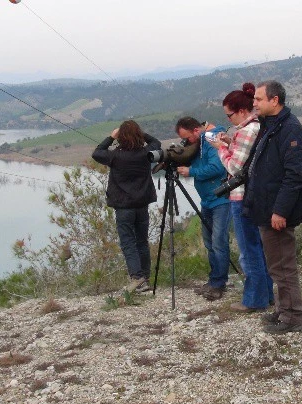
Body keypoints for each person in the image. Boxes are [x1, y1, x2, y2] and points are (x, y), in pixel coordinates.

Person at [243, 80, 302, 334]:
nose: (254, 103)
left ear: (274, 101)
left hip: (277, 211)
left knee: (283, 265)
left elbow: (295, 176)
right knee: (276, 263)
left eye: (258, 99)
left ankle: (293, 317)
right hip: (267, 207)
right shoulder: (270, 126)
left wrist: (281, 211)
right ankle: (282, 309)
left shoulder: (290, 130)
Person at [209, 82, 275, 312]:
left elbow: (234, 167)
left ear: (241, 111)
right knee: (257, 247)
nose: (228, 120)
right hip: (254, 196)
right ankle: (266, 295)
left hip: (242, 196)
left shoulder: (247, 130)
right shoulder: (254, 128)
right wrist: (230, 142)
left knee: (249, 250)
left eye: (229, 115)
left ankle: (255, 300)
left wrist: (220, 148)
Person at [92, 120, 161, 293]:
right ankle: (144, 277)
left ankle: (137, 278)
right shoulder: (146, 153)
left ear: (120, 137)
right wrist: (140, 134)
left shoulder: (115, 156)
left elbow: (97, 153)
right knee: (142, 242)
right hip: (142, 205)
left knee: (128, 243)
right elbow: (156, 143)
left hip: (124, 207)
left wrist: (111, 137)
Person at [174, 116, 231, 301]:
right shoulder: (196, 145)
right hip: (206, 200)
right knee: (209, 244)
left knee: (218, 243)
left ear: (196, 131)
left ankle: (219, 284)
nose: (186, 141)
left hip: (221, 200)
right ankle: (214, 279)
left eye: (187, 137)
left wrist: (192, 172)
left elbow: (217, 168)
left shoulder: (210, 141)